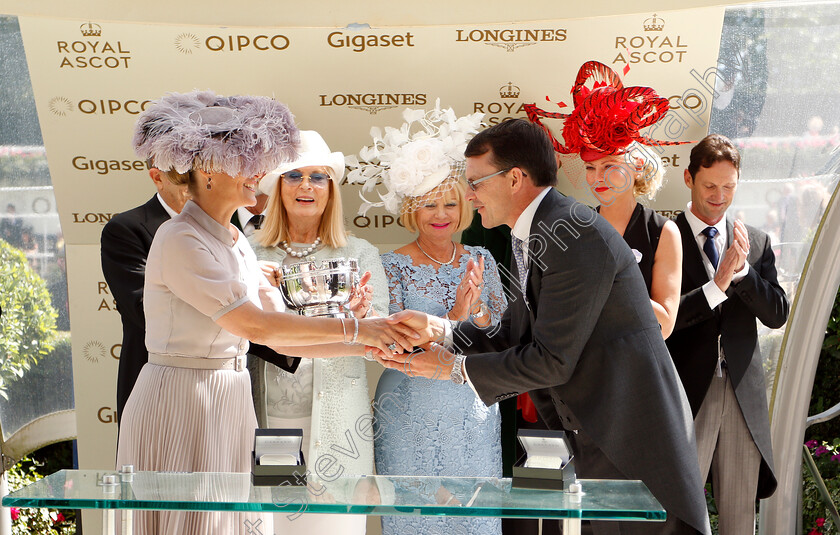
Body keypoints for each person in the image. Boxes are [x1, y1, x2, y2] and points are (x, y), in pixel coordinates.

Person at [382, 117, 712, 535]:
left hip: (632, 445)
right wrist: (438, 330)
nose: (470, 196)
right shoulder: (540, 229)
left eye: (476, 183)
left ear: (515, 178)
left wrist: (449, 368)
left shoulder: (574, 235)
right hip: (602, 437)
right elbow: (516, 330)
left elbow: (552, 360)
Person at [116, 90, 418, 535]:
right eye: (246, 163)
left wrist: (368, 336)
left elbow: (279, 341)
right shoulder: (180, 238)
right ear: (209, 171)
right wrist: (358, 327)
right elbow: (254, 324)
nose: (259, 174)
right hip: (183, 399)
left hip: (229, 400)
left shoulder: (237, 242)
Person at [347, 103, 507, 535]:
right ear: (411, 210)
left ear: (464, 207)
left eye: (450, 204)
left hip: (471, 402)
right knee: (415, 519)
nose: (441, 215)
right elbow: (389, 342)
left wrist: (475, 314)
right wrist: (454, 316)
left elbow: (503, 335)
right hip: (407, 406)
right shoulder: (390, 264)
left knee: (472, 518)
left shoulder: (482, 258)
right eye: (429, 204)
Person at [249, 130, 389, 535]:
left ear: (331, 189)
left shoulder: (360, 253)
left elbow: (380, 341)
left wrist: (363, 317)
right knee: (271, 527)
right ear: (277, 187)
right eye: (294, 176)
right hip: (269, 422)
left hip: (340, 425)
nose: (306, 186)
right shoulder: (250, 252)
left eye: (318, 176)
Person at [666, 134, 789, 534]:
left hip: (742, 394)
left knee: (739, 519)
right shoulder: (664, 236)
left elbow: (776, 313)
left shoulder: (755, 241)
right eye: (710, 186)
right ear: (688, 178)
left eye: (729, 187)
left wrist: (744, 274)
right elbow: (659, 321)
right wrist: (715, 287)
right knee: (677, 515)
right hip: (685, 393)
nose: (720, 197)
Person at [536, 62, 682, 338]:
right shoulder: (574, 226)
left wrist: (611, 279)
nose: (597, 178)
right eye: (591, 168)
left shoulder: (662, 232)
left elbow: (664, 326)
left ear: (637, 165)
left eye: (609, 166)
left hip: (636, 370)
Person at [100, 164, 190, 423]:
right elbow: (146, 311)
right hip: (154, 389)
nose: (198, 186)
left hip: (222, 388)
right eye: (186, 177)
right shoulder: (126, 229)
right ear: (158, 177)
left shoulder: (228, 230)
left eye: (206, 175)